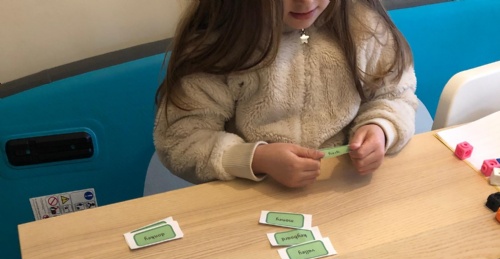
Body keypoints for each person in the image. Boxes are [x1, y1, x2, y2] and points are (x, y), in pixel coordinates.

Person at [154, 0, 417, 188]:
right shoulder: (219, 46)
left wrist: (381, 128)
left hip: (344, 190)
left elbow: (396, 95)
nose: (306, 3)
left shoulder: (362, 25)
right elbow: (181, 141)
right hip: (253, 201)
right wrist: (257, 159)